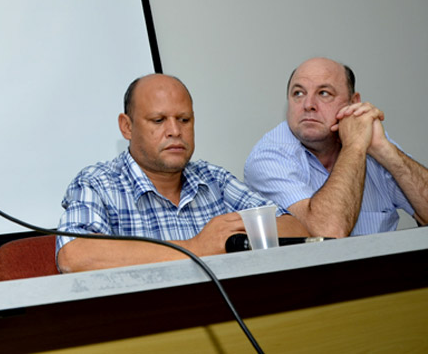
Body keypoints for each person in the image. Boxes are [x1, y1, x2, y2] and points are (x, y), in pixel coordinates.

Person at [56, 74, 306, 273]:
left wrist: (240, 234)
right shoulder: (97, 183)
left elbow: (296, 229)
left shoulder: (213, 179)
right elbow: (75, 255)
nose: (175, 131)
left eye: (184, 120)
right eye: (158, 120)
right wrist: (195, 248)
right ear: (127, 127)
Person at [244, 57, 428, 238]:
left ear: (353, 103)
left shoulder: (370, 141)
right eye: (298, 94)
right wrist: (354, 147)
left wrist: (385, 150)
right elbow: (330, 233)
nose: (308, 105)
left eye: (324, 93)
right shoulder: (267, 158)